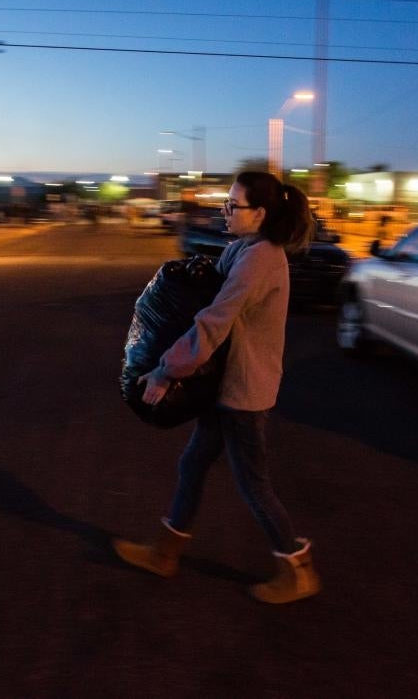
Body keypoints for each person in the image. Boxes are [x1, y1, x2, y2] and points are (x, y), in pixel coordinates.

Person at [113, 171, 321, 604]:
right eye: (225, 203)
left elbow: (212, 324)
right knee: (193, 464)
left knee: (254, 485)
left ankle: (296, 568)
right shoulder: (245, 248)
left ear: (260, 213)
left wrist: (165, 371)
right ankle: (165, 553)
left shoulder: (260, 259)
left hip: (243, 394)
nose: (224, 211)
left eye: (233, 205)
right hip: (223, 387)